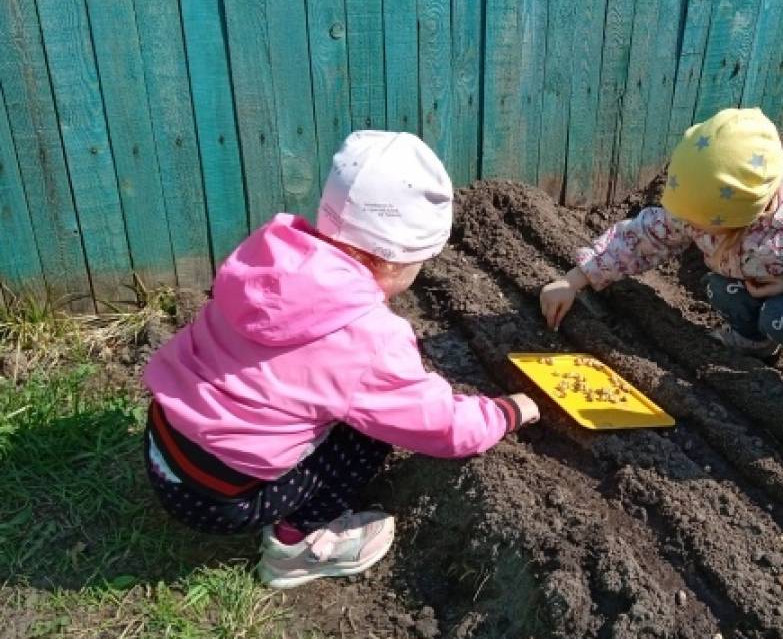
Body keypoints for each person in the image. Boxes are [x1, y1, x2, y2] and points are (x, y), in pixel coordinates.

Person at [143, 131, 539, 588]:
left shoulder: (266, 259)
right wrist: (509, 410)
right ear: (398, 261)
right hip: (215, 498)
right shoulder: (370, 341)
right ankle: (296, 545)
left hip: (160, 447)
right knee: (366, 436)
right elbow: (440, 425)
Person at [540, 108, 783, 359]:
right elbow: (645, 237)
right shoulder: (705, 210)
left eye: (702, 224)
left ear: (748, 214)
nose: (690, 227)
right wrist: (574, 279)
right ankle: (754, 342)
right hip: (753, 281)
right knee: (719, 288)